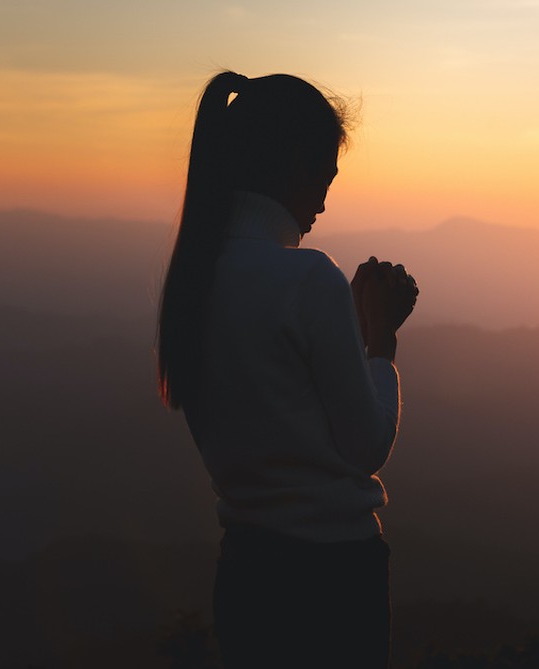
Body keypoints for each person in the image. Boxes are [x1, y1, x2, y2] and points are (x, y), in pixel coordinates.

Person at [156, 71, 417, 668]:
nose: (324, 201)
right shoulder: (308, 277)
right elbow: (366, 445)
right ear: (295, 165)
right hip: (332, 582)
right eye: (325, 177)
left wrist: (347, 328)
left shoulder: (194, 280)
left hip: (246, 574)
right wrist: (382, 337)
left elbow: (279, 401)